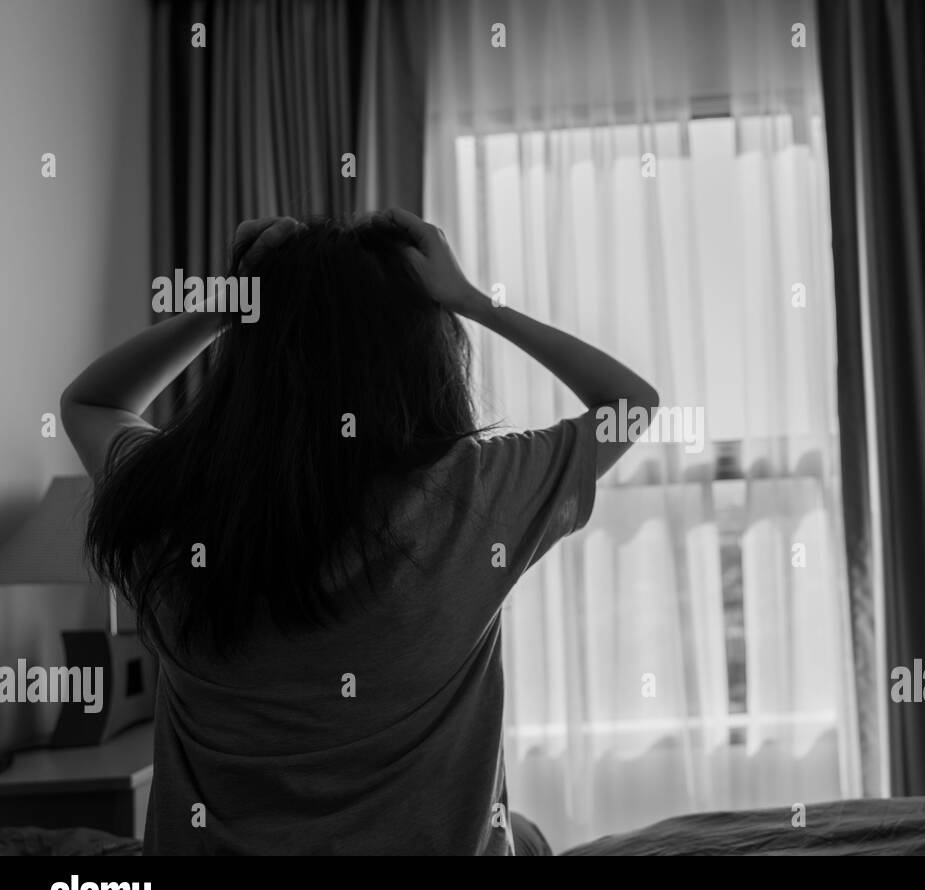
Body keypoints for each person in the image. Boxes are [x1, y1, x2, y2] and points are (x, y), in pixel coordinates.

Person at [60, 210, 659, 854]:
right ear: (422, 350)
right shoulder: (473, 494)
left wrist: (231, 300)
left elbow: (91, 403)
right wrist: (474, 301)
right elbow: (630, 403)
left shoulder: (170, 503)